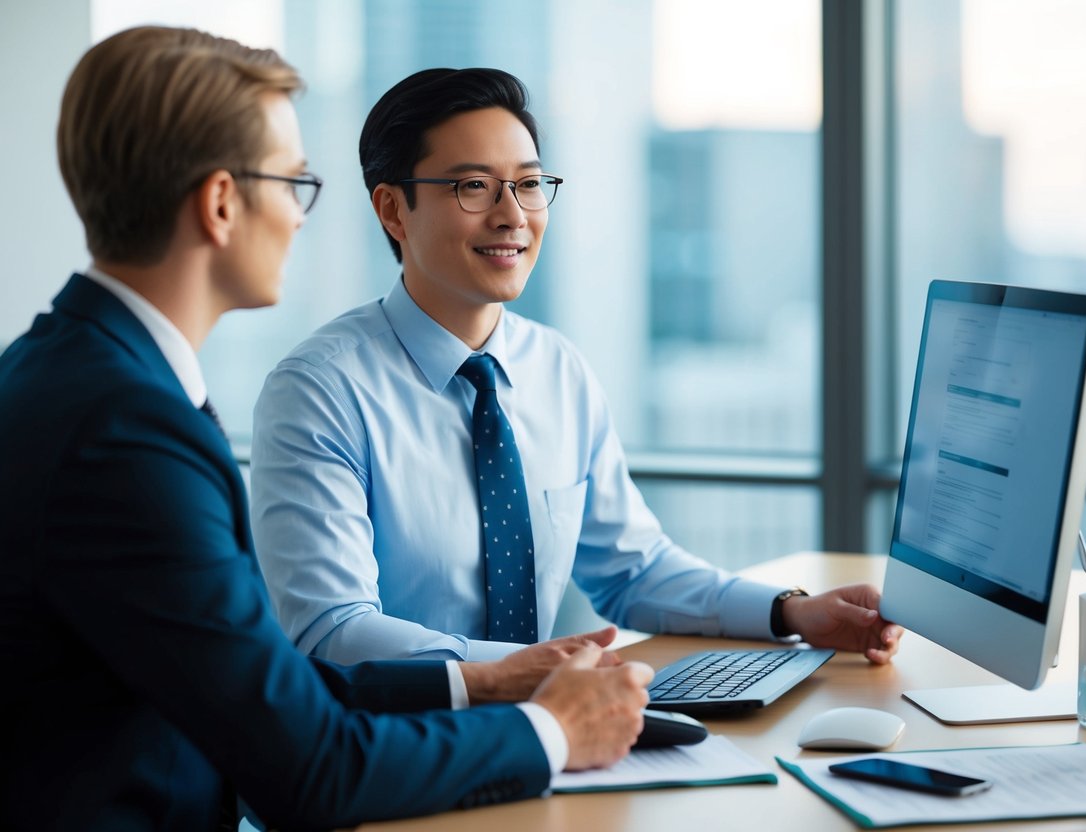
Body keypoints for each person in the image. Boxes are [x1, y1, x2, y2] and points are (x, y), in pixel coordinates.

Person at [0, 29, 652, 832]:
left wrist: (486, 683)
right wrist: (554, 731)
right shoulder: (126, 430)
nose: (304, 216)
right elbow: (310, 771)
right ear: (220, 203)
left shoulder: (64, 370)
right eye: (294, 181)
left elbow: (254, 681)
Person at [250, 67, 902, 672]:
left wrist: (789, 612)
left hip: (547, 731)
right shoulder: (319, 391)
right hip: (395, 754)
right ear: (393, 209)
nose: (512, 215)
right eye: (473, 186)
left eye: (529, 184)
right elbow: (332, 630)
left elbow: (633, 572)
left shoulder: (556, 370)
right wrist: (523, 673)